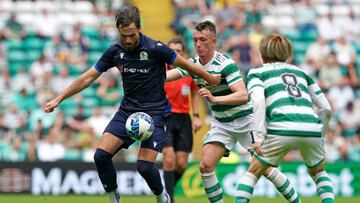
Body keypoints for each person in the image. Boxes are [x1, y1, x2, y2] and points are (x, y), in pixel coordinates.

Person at [43, 6, 220, 203]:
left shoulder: (155, 48)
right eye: (123, 35)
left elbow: (186, 64)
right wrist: (59, 98)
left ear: (139, 29)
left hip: (156, 113)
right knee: (100, 156)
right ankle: (114, 198)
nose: (128, 40)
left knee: (144, 167)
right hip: (127, 112)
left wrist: (209, 77)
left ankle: (162, 197)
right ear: (118, 31)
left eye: (132, 35)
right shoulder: (114, 51)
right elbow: (87, 78)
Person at [167, 21, 300, 203]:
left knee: (266, 168)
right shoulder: (193, 64)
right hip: (222, 123)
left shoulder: (226, 64)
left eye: (203, 40)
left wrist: (215, 99)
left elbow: (243, 95)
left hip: (245, 121)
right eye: (195, 39)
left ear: (213, 41)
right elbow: (165, 78)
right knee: (205, 166)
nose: (198, 44)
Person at [236, 33, 334, 203]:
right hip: (311, 127)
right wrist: (321, 134)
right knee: (318, 172)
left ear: (262, 52)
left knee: (254, 171)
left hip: (281, 126)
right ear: (287, 53)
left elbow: (258, 101)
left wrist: (258, 137)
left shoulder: (257, 72)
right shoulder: (302, 73)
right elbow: (326, 108)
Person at [163, 39, 202, 203]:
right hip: (165, 117)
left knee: (182, 163)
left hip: (184, 119)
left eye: (179, 50)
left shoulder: (188, 72)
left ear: (183, 53)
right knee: (169, 159)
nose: (176, 53)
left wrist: (196, 116)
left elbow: (194, 94)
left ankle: (166, 191)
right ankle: (169, 199)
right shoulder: (160, 70)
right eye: (172, 50)